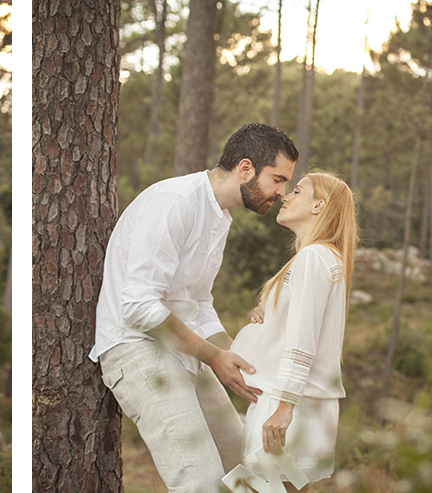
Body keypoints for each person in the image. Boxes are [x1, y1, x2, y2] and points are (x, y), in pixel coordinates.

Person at [91, 123, 299, 492]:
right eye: (278, 179)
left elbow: (199, 303)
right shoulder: (177, 201)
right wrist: (213, 356)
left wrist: (237, 356)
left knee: (249, 470)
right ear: (246, 168)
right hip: (137, 350)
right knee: (200, 482)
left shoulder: (219, 217)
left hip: (187, 352)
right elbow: (138, 306)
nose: (282, 193)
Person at [222, 172, 357, 493]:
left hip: (286, 402)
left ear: (318, 206)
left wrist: (284, 407)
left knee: (250, 489)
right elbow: (300, 326)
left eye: (297, 191)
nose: (285, 196)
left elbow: (303, 340)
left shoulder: (314, 257)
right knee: (283, 490)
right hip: (296, 400)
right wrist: (269, 315)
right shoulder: (321, 257)